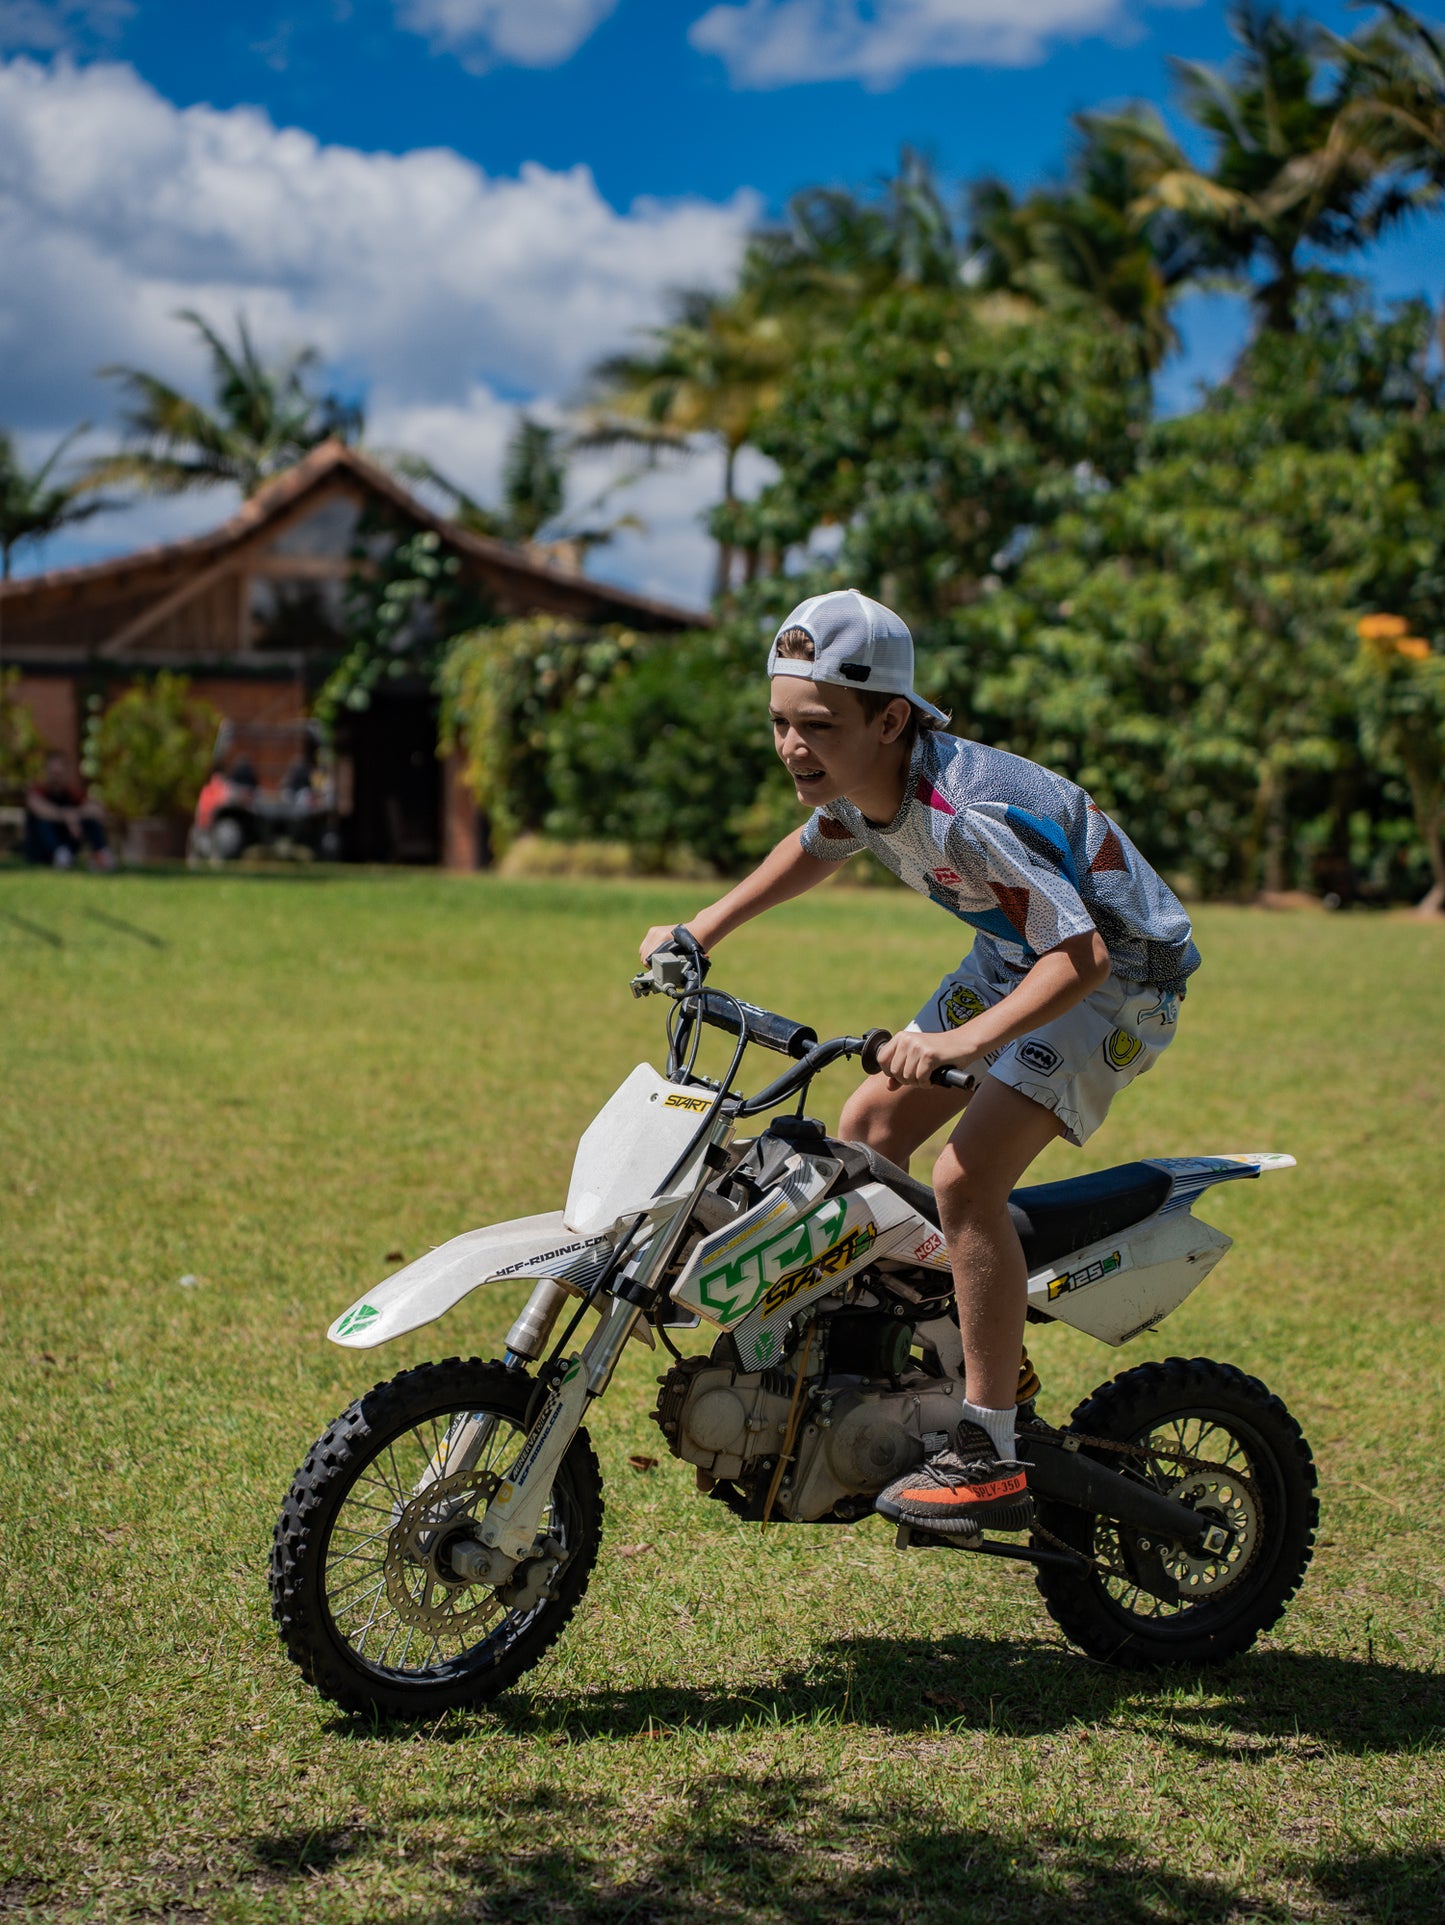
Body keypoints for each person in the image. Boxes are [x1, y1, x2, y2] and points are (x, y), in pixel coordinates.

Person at [638, 589, 1199, 1537]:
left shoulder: (964, 808)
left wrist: (957, 1044)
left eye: (815, 724)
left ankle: (987, 1444)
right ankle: (917, 1359)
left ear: (890, 718)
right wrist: (700, 930)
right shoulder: (867, 786)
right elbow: (813, 849)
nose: (790, 746)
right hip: (1014, 956)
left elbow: (1082, 957)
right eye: (778, 722)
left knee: (962, 1178)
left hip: (1114, 982)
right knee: (865, 1131)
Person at [23, 750, 116, 871]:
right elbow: (38, 807)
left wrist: (75, 814)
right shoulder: (38, 791)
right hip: (40, 850)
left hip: (68, 845)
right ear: (46, 771)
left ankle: (101, 854)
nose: (56, 778)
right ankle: (59, 855)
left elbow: (97, 810)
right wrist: (66, 815)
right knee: (43, 820)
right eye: (53, 773)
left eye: (59, 773)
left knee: (89, 819)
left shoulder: (71, 794)